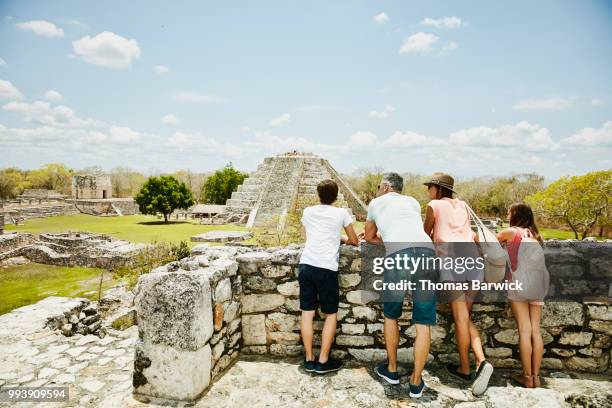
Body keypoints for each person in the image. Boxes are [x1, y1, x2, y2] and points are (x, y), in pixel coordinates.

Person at [364, 172, 436, 398]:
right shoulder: (413, 202)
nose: (377, 190)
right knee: (424, 322)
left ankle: (392, 370)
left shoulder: (376, 203)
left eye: (378, 186)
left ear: (385, 187)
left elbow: (369, 236)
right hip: (426, 253)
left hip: (399, 255)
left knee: (391, 315)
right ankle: (416, 382)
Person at [422, 172, 493, 396]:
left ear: (437, 188)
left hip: (452, 261)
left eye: (429, 187)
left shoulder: (433, 205)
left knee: (461, 318)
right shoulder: (463, 205)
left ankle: (473, 365)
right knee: (465, 318)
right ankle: (475, 364)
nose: (428, 191)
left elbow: (425, 234)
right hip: (473, 260)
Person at [298, 179, 358, 374]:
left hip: (307, 264)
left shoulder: (308, 211)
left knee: (307, 313)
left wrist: (335, 237)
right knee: (330, 314)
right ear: (336, 196)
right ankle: (323, 360)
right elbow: (355, 240)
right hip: (326, 268)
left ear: (318, 195)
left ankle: (309, 358)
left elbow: (306, 237)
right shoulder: (341, 213)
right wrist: (340, 238)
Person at [497, 202, 544, 388]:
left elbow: (486, 241)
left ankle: (527, 377)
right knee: (535, 331)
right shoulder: (535, 234)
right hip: (538, 285)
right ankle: (536, 378)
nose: (507, 215)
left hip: (518, 285)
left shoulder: (511, 232)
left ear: (516, 214)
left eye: (509, 212)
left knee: (524, 330)